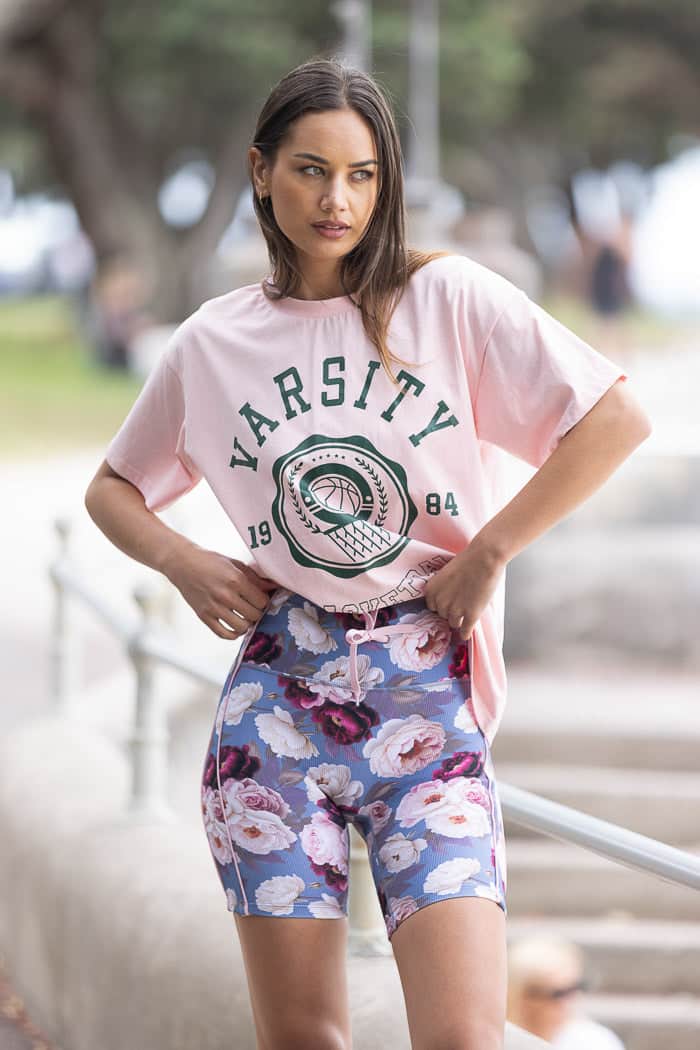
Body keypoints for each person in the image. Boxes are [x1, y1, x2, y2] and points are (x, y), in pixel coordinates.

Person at [84, 56, 651, 1050]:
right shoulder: (213, 343)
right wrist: (184, 561)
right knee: (303, 1041)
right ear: (260, 172)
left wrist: (491, 551)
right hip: (277, 704)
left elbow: (612, 419)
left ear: (385, 182)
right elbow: (112, 489)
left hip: (429, 700)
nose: (334, 199)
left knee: (463, 1038)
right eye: (308, 170)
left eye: (360, 175)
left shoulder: (448, 301)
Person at [507, 934, 626, 1049]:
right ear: (525, 998)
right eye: (559, 994)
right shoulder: (500, 1039)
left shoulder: (595, 1040)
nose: (572, 999)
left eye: (578, 986)